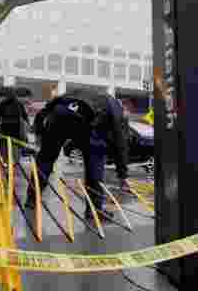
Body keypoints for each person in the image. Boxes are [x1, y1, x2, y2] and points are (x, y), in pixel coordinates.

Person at [25, 88, 128, 219]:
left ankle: (31, 199)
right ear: (122, 107)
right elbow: (120, 141)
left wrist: (39, 132)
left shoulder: (78, 92)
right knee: (95, 162)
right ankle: (94, 210)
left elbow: (46, 108)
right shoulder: (115, 108)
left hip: (59, 116)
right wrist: (122, 175)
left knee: (45, 159)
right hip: (85, 123)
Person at [0, 86, 27, 161]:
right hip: (13, 133)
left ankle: (8, 163)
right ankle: (12, 164)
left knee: (7, 153)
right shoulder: (18, 104)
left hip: (8, 132)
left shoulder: (4, 104)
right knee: (12, 154)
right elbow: (25, 117)